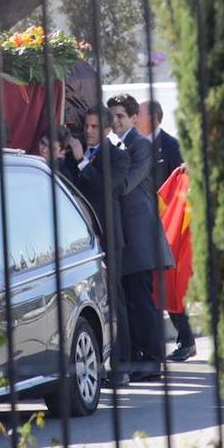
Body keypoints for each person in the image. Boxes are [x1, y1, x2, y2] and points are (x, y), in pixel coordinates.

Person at [107, 93, 175, 380]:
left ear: (134, 118)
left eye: (121, 116)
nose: (115, 122)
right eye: (112, 116)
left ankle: (154, 359)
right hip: (127, 237)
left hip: (141, 235)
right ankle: (140, 355)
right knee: (132, 299)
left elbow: (125, 185)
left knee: (142, 299)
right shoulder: (116, 144)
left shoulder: (141, 146)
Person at [69, 106, 133, 385]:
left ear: (106, 129)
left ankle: (123, 365)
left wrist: (82, 162)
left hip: (108, 237)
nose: (89, 131)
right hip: (82, 239)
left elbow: (107, 185)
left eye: (95, 127)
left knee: (114, 300)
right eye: (87, 126)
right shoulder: (77, 154)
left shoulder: (118, 155)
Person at [156, 165, 197, 361]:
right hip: (178, 240)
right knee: (171, 287)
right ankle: (186, 341)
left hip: (193, 241)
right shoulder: (181, 175)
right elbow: (161, 201)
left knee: (179, 290)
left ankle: (187, 342)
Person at [147, 100, 184, 191]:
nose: (134, 118)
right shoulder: (132, 145)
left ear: (153, 118)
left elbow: (179, 182)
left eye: (138, 114)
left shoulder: (172, 145)